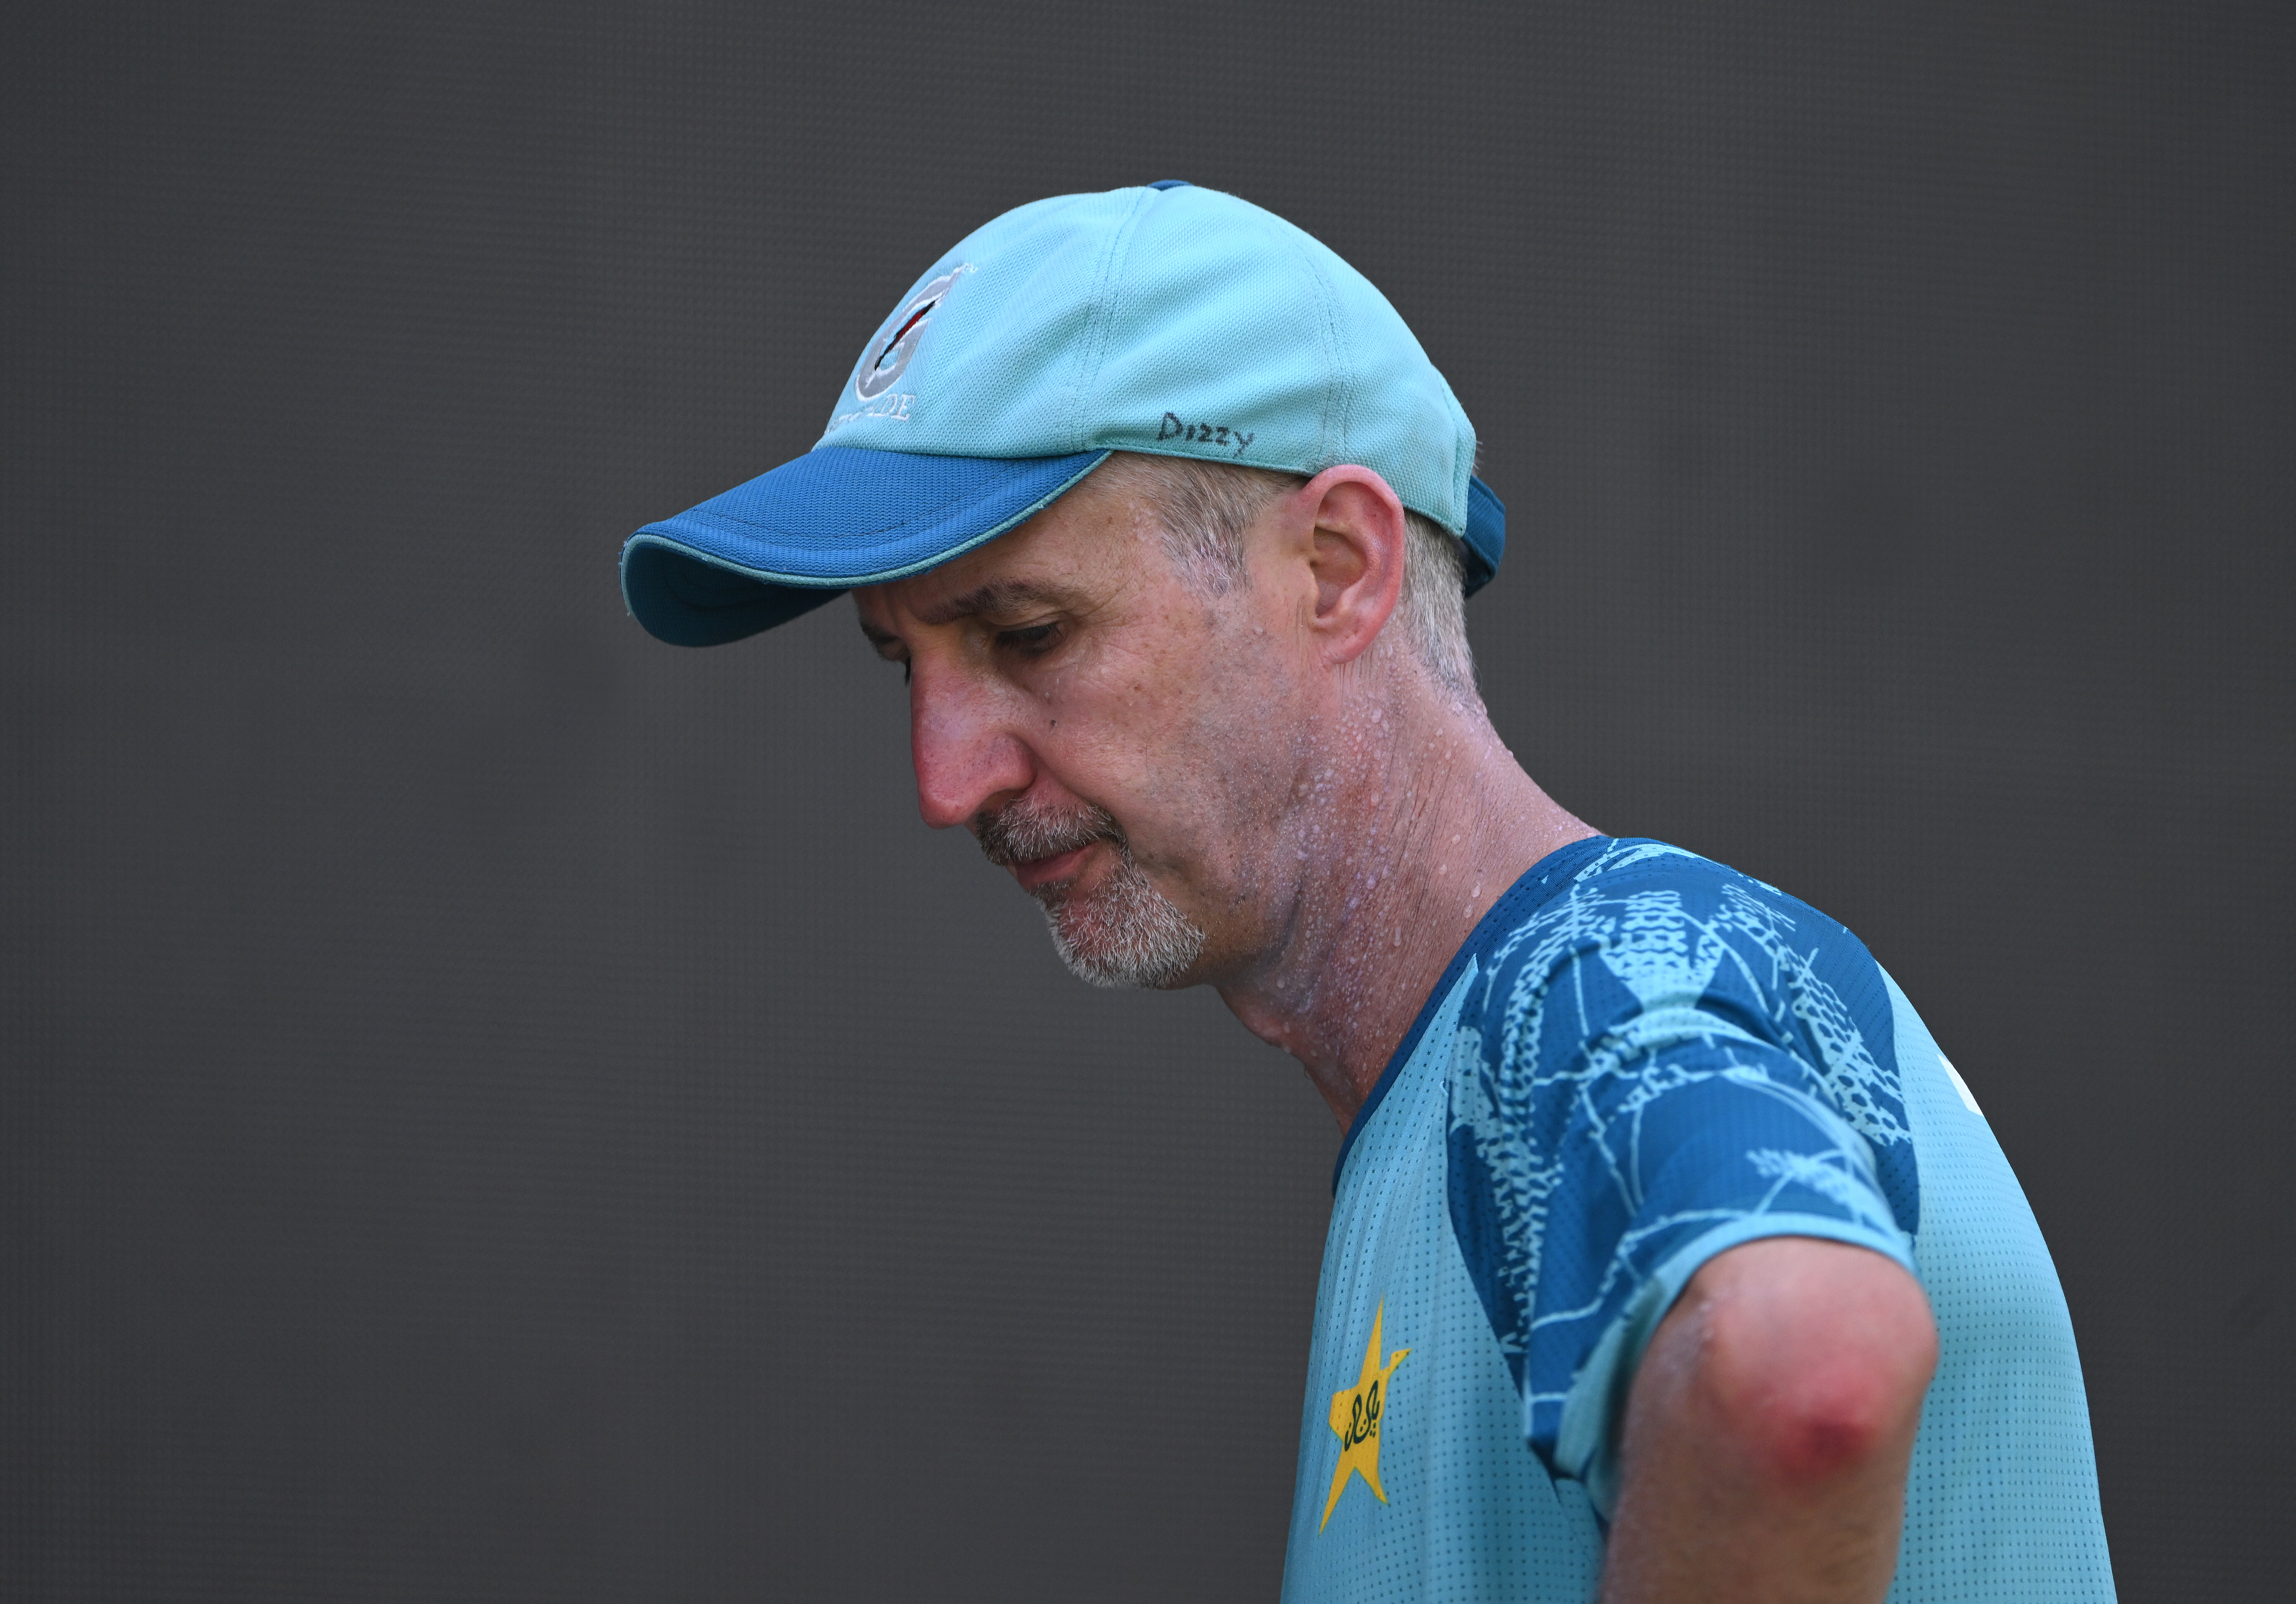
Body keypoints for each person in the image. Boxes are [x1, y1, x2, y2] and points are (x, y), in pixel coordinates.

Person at [620, 182, 2114, 1602]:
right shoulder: (1470, 1066)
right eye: (904, 663)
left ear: (1339, 567)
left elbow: (1805, 1366)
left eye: (1026, 633)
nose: (946, 781)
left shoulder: (1584, 979)